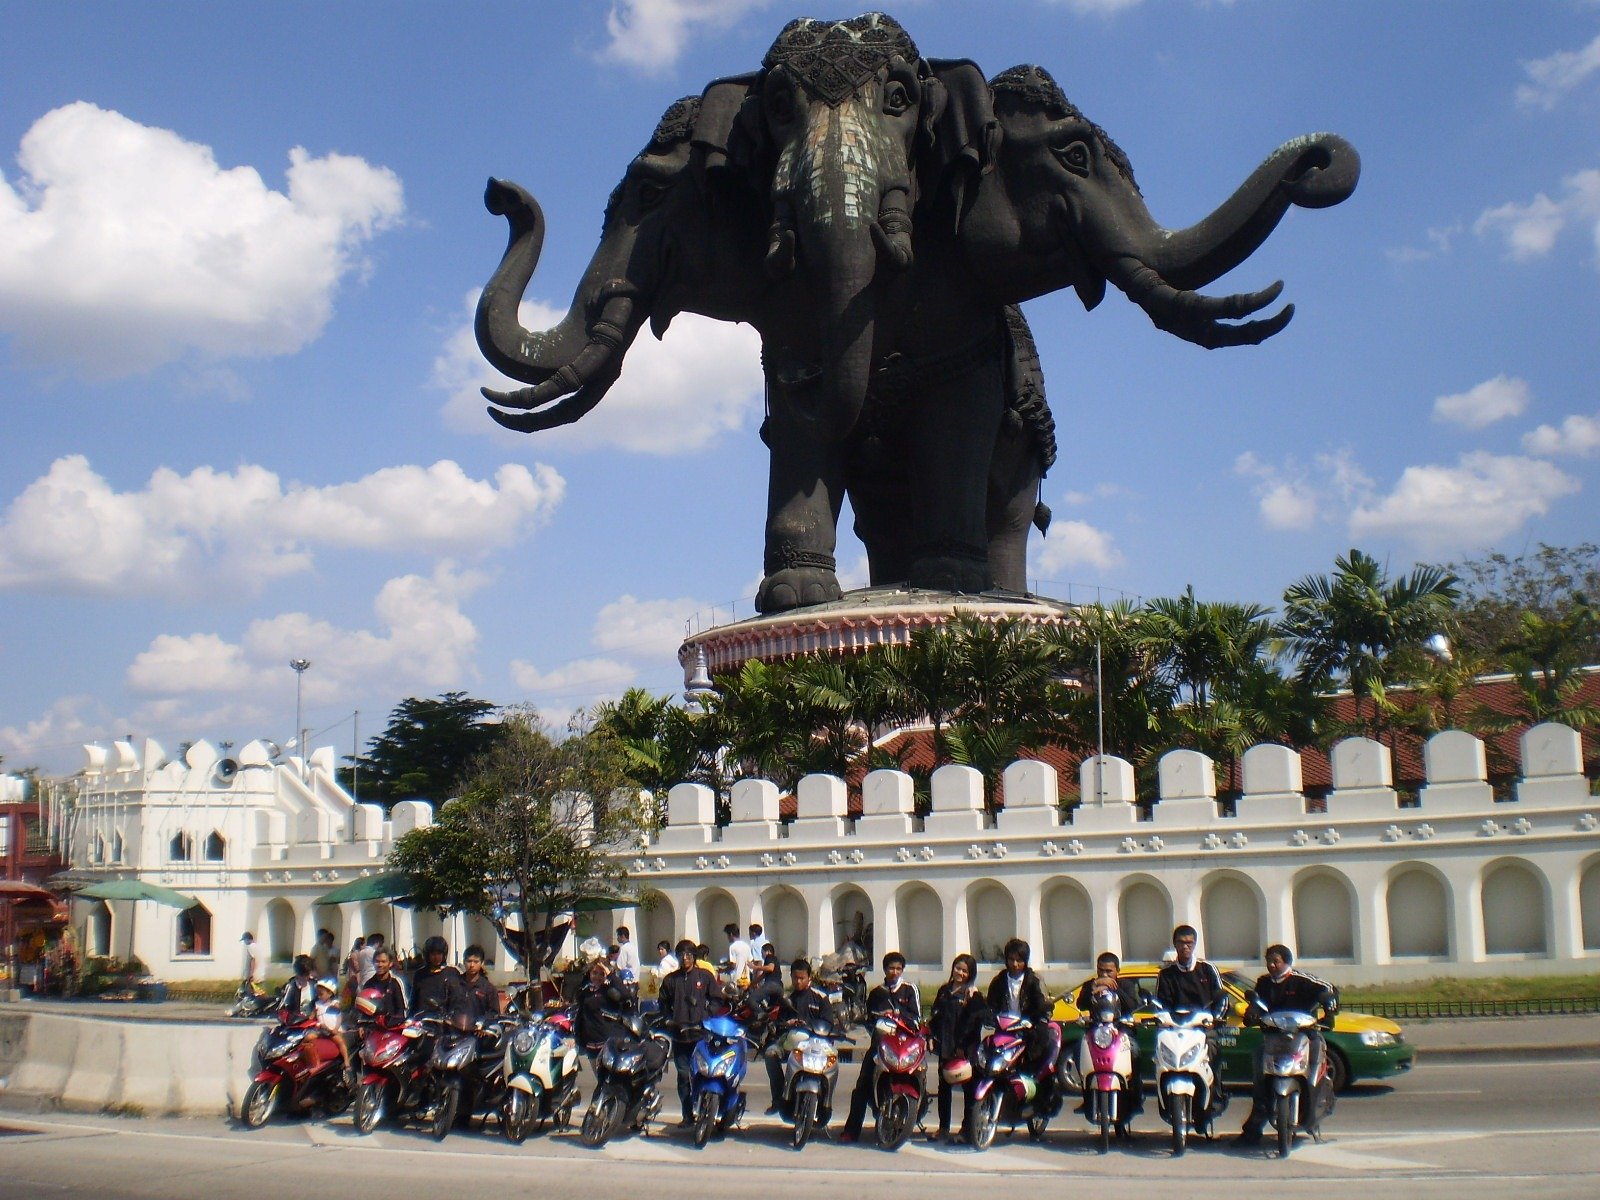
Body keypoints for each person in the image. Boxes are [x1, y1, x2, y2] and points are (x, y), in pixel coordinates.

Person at [1234, 944, 1338, 1148]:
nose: (1272, 965)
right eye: (1269, 961)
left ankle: (1313, 1109)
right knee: (1260, 1077)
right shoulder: (1263, 983)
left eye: (1276, 961)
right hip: (1275, 1039)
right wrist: (1252, 1014)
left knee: (1314, 1067)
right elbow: (1257, 1004)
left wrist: (1329, 1009)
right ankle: (1253, 1130)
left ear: (1287, 962)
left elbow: (1328, 989)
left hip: (1304, 1036)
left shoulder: (1302, 980)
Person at [841, 950, 921, 1142]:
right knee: (862, 1084)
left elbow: (917, 1018)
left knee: (920, 1071)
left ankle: (918, 1109)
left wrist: (898, 1015)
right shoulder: (877, 993)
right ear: (885, 970)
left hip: (905, 1044)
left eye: (899, 968)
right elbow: (869, 1019)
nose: (895, 972)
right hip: (881, 1045)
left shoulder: (910, 989)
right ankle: (851, 1131)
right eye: (891, 968)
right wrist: (878, 1019)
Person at [1156, 924, 1228, 1115]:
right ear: (1175, 944)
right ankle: (1164, 1101)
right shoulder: (1166, 974)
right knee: (1160, 1055)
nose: (1186, 946)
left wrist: (1215, 1019)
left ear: (1195, 944)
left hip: (1202, 1029)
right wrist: (1161, 1019)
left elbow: (1222, 998)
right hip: (1175, 1029)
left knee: (1212, 1050)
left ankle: (1215, 1097)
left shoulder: (1207, 969)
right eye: (1181, 942)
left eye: (1190, 943)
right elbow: (1160, 1004)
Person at [659, 937, 723, 1124]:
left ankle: (707, 1111)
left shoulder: (704, 976)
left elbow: (717, 999)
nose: (685, 958)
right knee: (683, 1076)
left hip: (701, 1035)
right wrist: (668, 1019)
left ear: (694, 956)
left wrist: (706, 1015)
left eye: (688, 954)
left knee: (704, 1074)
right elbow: (662, 1002)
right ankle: (687, 1115)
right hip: (680, 1036)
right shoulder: (671, 980)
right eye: (681, 954)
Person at [763, 958, 837, 1115]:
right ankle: (778, 1099)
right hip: (791, 1042)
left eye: (802, 978)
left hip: (816, 1044)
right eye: (795, 978)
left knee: (832, 1064)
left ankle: (825, 1105)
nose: (798, 981)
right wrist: (787, 1023)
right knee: (770, 1054)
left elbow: (829, 1023)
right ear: (791, 976)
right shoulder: (787, 998)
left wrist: (812, 1026)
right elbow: (779, 1022)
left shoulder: (821, 997)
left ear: (809, 977)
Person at [1075, 950, 1144, 1115]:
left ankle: (1135, 1094)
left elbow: (1132, 1005)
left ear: (1117, 971)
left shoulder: (1126, 985)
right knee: (1078, 1051)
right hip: (1096, 1034)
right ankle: (1087, 1097)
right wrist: (1093, 987)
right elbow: (1081, 1004)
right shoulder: (1090, 985)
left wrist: (1115, 988)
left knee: (1134, 1051)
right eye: (1101, 971)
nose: (1104, 975)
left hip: (1121, 1032)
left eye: (1109, 971)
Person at [988, 938, 1056, 1104]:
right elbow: (991, 1005)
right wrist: (990, 1017)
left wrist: (1035, 1020)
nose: (1015, 964)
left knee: (1040, 1052)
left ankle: (1039, 1093)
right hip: (1005, 1029)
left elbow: (1042, 1004)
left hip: (1028, 1028)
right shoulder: (998, 981)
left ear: (1025, 961)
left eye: (1019, 960)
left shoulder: (1034, 980)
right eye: (1011, 959)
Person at [930, 953, 984, 1144]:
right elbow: (935, 1016)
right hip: (945, 1046)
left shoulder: (973, 994)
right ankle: (943, 1128)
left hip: (965, 1048)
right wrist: (931, 1036)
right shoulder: (944, 991)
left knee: (969, 1090)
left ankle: (967, 1130)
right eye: (957, 968)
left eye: (964, 971)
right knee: (944, 1088)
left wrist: (963, 1046)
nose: (960, 973)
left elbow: (976, 1022)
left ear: (971, 974)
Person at [577, 959, 636, 1056]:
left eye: (601, 974)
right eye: (594, 973)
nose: (597, 977)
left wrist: (610, 974)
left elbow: (626, 996)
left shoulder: (609, 991)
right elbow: (580, 1016)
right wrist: (578, 1040)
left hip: (608, 1045)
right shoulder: (585, 992)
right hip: (591, 1045)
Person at [409, 935, 462, 1017]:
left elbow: (458, 999)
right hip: (423, 1019)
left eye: (439, 954)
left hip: (445, 1019)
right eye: (433, 954)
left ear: (444, 954)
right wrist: (410, 1017)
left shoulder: (453, 972)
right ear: (427, 955)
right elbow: (413, 1001)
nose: (436, 957)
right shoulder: (420, 974)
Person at [459, 944, 504, 1022]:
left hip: (478, 1028)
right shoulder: (454, 984)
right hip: (455, 1027)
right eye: (469, 961)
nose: (472, 965)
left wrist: (482, 1022)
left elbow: (494, 1013)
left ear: (482, 963)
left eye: (476, 962)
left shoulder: (489, 989)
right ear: (463, 962)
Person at [724, 923, 752, 987]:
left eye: (727, 935)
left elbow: (733, 965)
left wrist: (724, 969)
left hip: (736, 979)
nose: (728, 938)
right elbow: (750, 961)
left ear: (731, 934)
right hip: (746, 979)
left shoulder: (732, 947)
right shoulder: (746, 945)